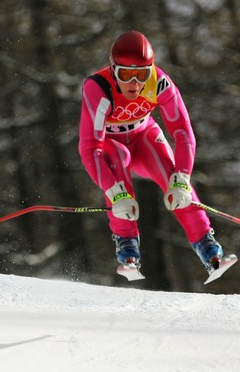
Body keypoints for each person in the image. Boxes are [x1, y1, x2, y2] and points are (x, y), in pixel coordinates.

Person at [78, 30, 224, 275]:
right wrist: (114, 193)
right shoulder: (99, 87)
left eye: (142, 75)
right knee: (118, 159)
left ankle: (207, 245)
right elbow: (90, 147)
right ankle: (127, 246)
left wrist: (183, 177)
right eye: (126, 74)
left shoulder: (160, 82)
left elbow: (183, 131)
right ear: (113, 69)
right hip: (112, 144)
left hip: (144, 138)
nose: (134, 83)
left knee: (172, 178)